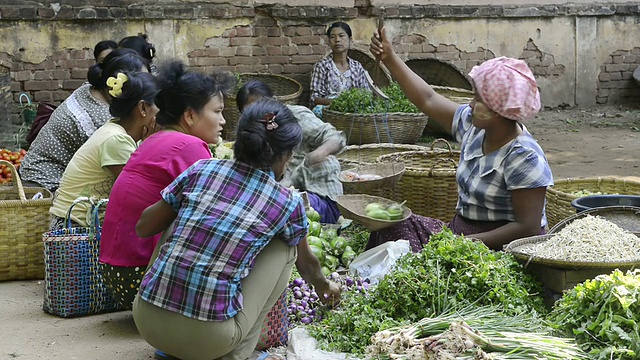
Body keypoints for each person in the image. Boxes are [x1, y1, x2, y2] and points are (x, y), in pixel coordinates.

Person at [132, 98, 341, 360]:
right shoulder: (287, 202)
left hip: (147, 322)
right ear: (285, 156)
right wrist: (325, 287)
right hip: (210, 341)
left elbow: (143, 227)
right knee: (286, 248)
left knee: (175, 214)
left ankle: (176, 344)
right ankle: (237, 354)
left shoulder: (201, 169)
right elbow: (308, 266)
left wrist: (185, 204)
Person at [366, 27, 554, 252]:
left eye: (477, 99)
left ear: (498, 111)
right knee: (391, 226)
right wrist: (390, 57)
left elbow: (528, 228)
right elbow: (428, 99)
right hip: (459, 234)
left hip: (498, 249)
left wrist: (462, 245)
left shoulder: (523, 156)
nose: (471, 104)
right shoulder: (475, 127)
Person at [99, 60, 234, 309]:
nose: (223, 120)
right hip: (140, 276)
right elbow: (216, 211)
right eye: (217, 111)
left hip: (117, 275)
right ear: (190, 115)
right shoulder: (189, 146)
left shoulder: (157, 139)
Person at [19, 48, 150, 192]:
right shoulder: (100, 118)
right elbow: (128, 174)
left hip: (34, 171)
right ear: (117, 84)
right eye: (143, 84)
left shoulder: (89, 90)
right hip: (44, 182)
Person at [48, 70, 160, 231]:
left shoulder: (118, 132)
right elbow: (141, 193)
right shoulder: (116, 140)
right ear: (143, 108)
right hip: (74, 228)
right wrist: (151, 144)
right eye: (160, 106)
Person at [237, 79, 346, 224]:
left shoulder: (295, 116)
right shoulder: (252, 132)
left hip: (318, 192)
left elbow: (334, 137)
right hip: (284, 193)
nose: (260, 115)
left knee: (282, 212)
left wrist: (318, 154)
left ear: (273, 101)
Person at [309, 22, 370, 118]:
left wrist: (349, 104)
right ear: (329, 41)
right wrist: (336, 102)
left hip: (351, 111)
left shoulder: (357, 67)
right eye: (332, 37)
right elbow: (314, 98)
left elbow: (365, 94)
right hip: (328, 110)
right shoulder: (322, 66)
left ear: (350, 40)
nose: (337, 40)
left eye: (341, 36)